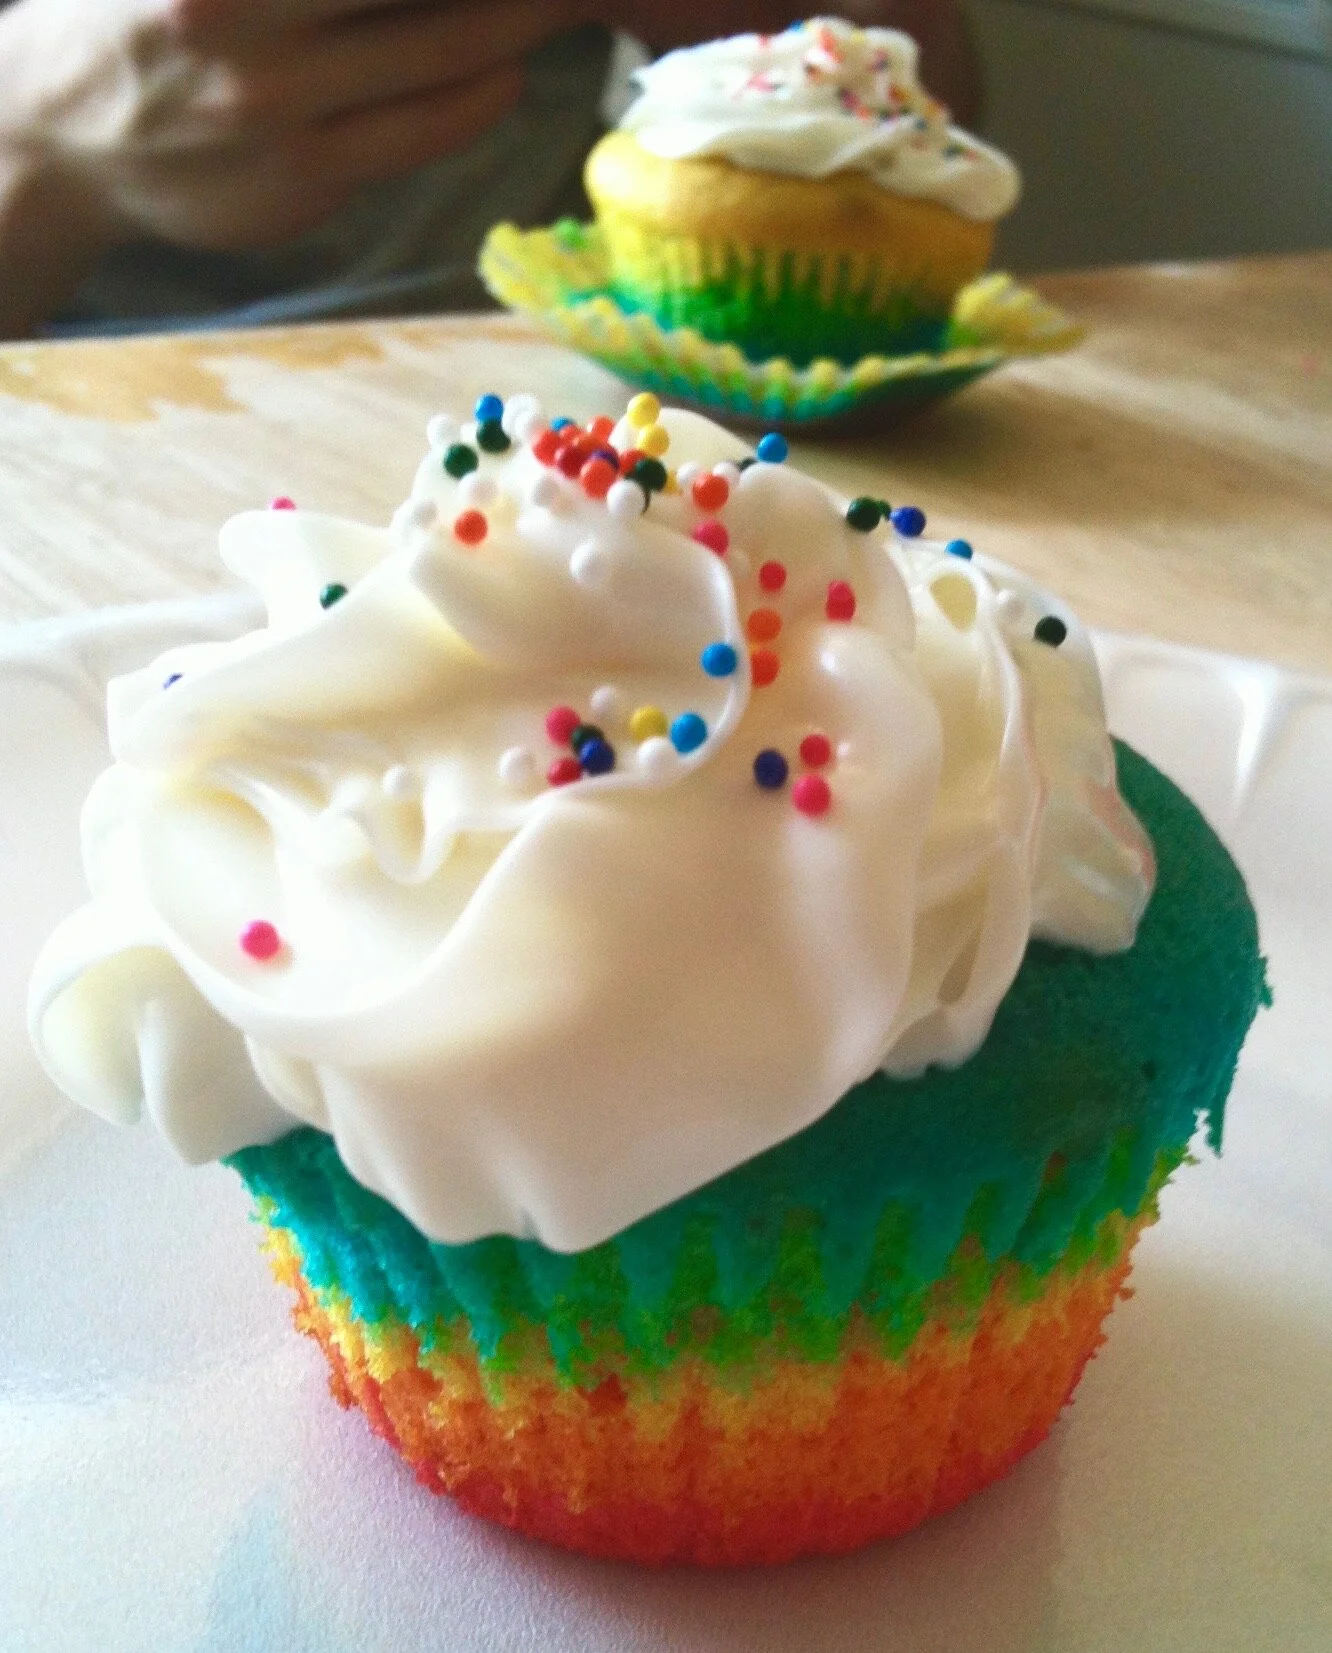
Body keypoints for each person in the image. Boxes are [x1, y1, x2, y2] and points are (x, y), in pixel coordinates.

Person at [0, 1, 980, 339]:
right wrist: (33, 138)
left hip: (574, 403)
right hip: (65, 417)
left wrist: (812, 58)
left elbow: (940, 120)